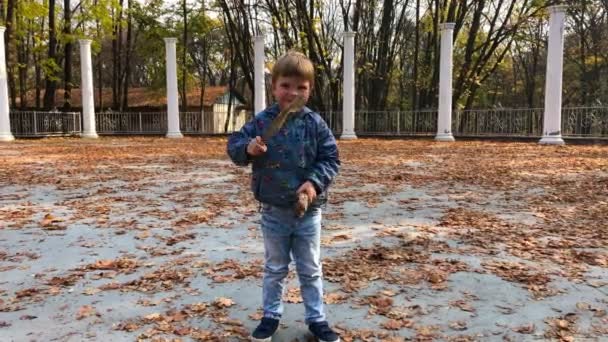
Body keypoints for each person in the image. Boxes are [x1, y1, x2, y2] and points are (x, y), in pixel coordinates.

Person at [227, 51, 341, 342]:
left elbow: (331, 158)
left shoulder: (314, 123)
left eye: (301, 87)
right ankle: (271, 315)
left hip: (308, 211)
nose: (292, 93)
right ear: (274, 86)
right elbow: (234, 145)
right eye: (286, 85)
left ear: (309, 90)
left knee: (310, 269)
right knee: (275, 267)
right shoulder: (263, 122)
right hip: (273, 210)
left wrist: (314, 183)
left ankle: (317, 319)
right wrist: (248, 149)